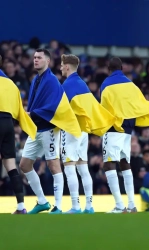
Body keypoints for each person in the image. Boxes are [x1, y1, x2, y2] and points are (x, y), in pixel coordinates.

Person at [19, 49, 81, 214]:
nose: (35, 60)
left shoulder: (52, 81)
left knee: (53, 165)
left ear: (47, 60)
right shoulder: (36, 80)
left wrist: (33, 113)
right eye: (34, 57)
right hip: (36, 129)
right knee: (24, 165)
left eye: (39, 58)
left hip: (49, 129)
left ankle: (58, 207)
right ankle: (42, 201)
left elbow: (55, 106)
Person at [100, 57, 149, 213]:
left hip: (113, 128)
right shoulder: (131, 85)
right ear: (122, 68)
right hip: (128, 129)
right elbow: (138, 104)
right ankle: (132, 204)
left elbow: (104, 108)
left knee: (109, 164)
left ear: (109, 69)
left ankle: (120, 205)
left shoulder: (106, 84)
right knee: (124, 162)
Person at [60, 54, 116, 214]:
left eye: (62, 65)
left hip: (71, 130)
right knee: (83, 168)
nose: (60, 68)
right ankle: (89, 206)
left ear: (67, 67)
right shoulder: (82, 84)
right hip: (83, 132)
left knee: (69, 168)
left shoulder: (67, 85)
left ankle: (75, 206)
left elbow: (61, 109)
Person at [0, 55, 37, 214]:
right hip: (8, 123)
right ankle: (21, 206)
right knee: (10, 165)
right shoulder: (11, 84)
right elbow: (18, 110)